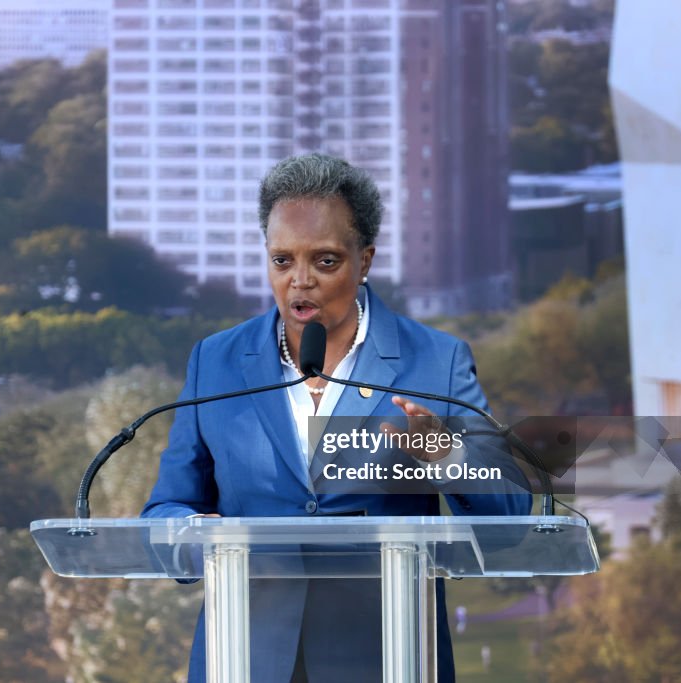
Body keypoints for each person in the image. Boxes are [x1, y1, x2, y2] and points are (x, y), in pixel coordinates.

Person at [141, 154, 531, 682]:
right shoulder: (216, 361)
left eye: (325, 261)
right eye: (282, 261)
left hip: (388, 655)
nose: (300, 282)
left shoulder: (436, 361)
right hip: (245, 657)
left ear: (364, 259)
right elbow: (165, 506)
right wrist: (193, 531)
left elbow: (510, 515)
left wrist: (447, 455)